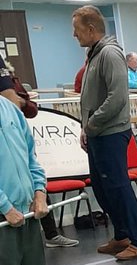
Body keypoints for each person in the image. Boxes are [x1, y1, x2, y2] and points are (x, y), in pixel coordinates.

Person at [0, 95, 72, 265]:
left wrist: (39, 192)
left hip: (27, 211)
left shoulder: (9, 109)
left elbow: (31, 156)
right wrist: (4, 207)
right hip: (4, 217)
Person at [72, 5, 137, 261]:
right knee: (103, 189)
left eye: (77, 29)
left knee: (118, 188)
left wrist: (91, 124)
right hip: (97, 133)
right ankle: (122, 235)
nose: (75, 35)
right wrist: (88, 128)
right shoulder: (94, 55)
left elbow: (117, 98)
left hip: (111, 133)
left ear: (91, 29)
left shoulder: (110, 54)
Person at [0, 52, 78, 248]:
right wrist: (5, 207)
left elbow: (20, 107)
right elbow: (16, 101)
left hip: (22, 203)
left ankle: (51, 234)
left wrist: (40, 192)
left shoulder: (10, 113)